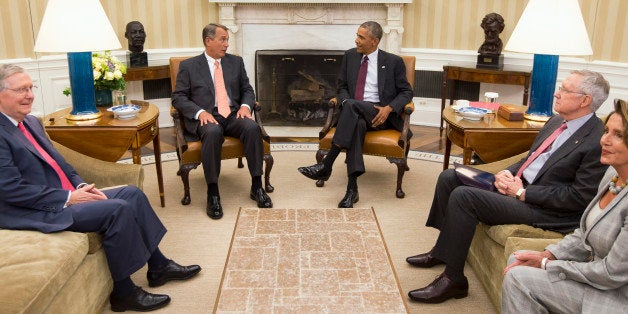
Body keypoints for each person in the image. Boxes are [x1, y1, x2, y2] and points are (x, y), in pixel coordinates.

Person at [0, 64, 201, 312]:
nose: (29, 95)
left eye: (31, 88)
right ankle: (123, 293)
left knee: (132, 193)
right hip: (39, 207)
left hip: (68, 193)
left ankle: (158, 267)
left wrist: (81, 185)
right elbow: (10, 189)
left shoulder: (30, 122)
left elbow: (60, 163)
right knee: (117, 209)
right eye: (21, 89)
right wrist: (69, 197)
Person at [406, 69, 610, 303]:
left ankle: (454, 280)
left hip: (546, 210)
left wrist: (523, 192)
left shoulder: (596, 141)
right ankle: (443, 251)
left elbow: (578, 197)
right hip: (519, 186)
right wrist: (506, 173)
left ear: (585, 100)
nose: (556, 93)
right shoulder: (556, 121)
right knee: (449, 178)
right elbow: (530, 158)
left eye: (564, 89)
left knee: (464, 197)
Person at [502, 98, 628, 313]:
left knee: (519, 277)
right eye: (606, 131)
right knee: (519, 258)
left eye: (618, 135)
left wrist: (548, 265)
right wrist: (550, 254)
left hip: (616, 294)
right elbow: (584, 234)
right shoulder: (612, 176)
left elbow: (611, 273)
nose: (604, 140)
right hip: (596, 277)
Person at [297, 21, 413, 207]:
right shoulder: (350, 56)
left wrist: (389, 108)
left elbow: (406, 92)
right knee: (355, 122)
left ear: (374, 41)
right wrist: (346, 103)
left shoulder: (393, 62)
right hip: (354, 113)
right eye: (357, 36)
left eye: (361, 37)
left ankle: (327, 165)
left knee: (351, 108)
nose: (356, 40)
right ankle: (352, 190)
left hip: (379, 114)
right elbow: (341, 87)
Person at [172, 23, 272, 220]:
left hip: (234, 114)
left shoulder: (235, 62)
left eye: (227, 39)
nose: (227, 44)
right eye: (222, 39)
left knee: (252, 128)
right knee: (212, 132)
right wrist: (199, 112)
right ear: (208, 41)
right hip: (208, 116)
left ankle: (256, 185)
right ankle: (213, 193)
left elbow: (248, 90)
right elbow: (179, 97)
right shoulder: (189, 66)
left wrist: (245, 106)